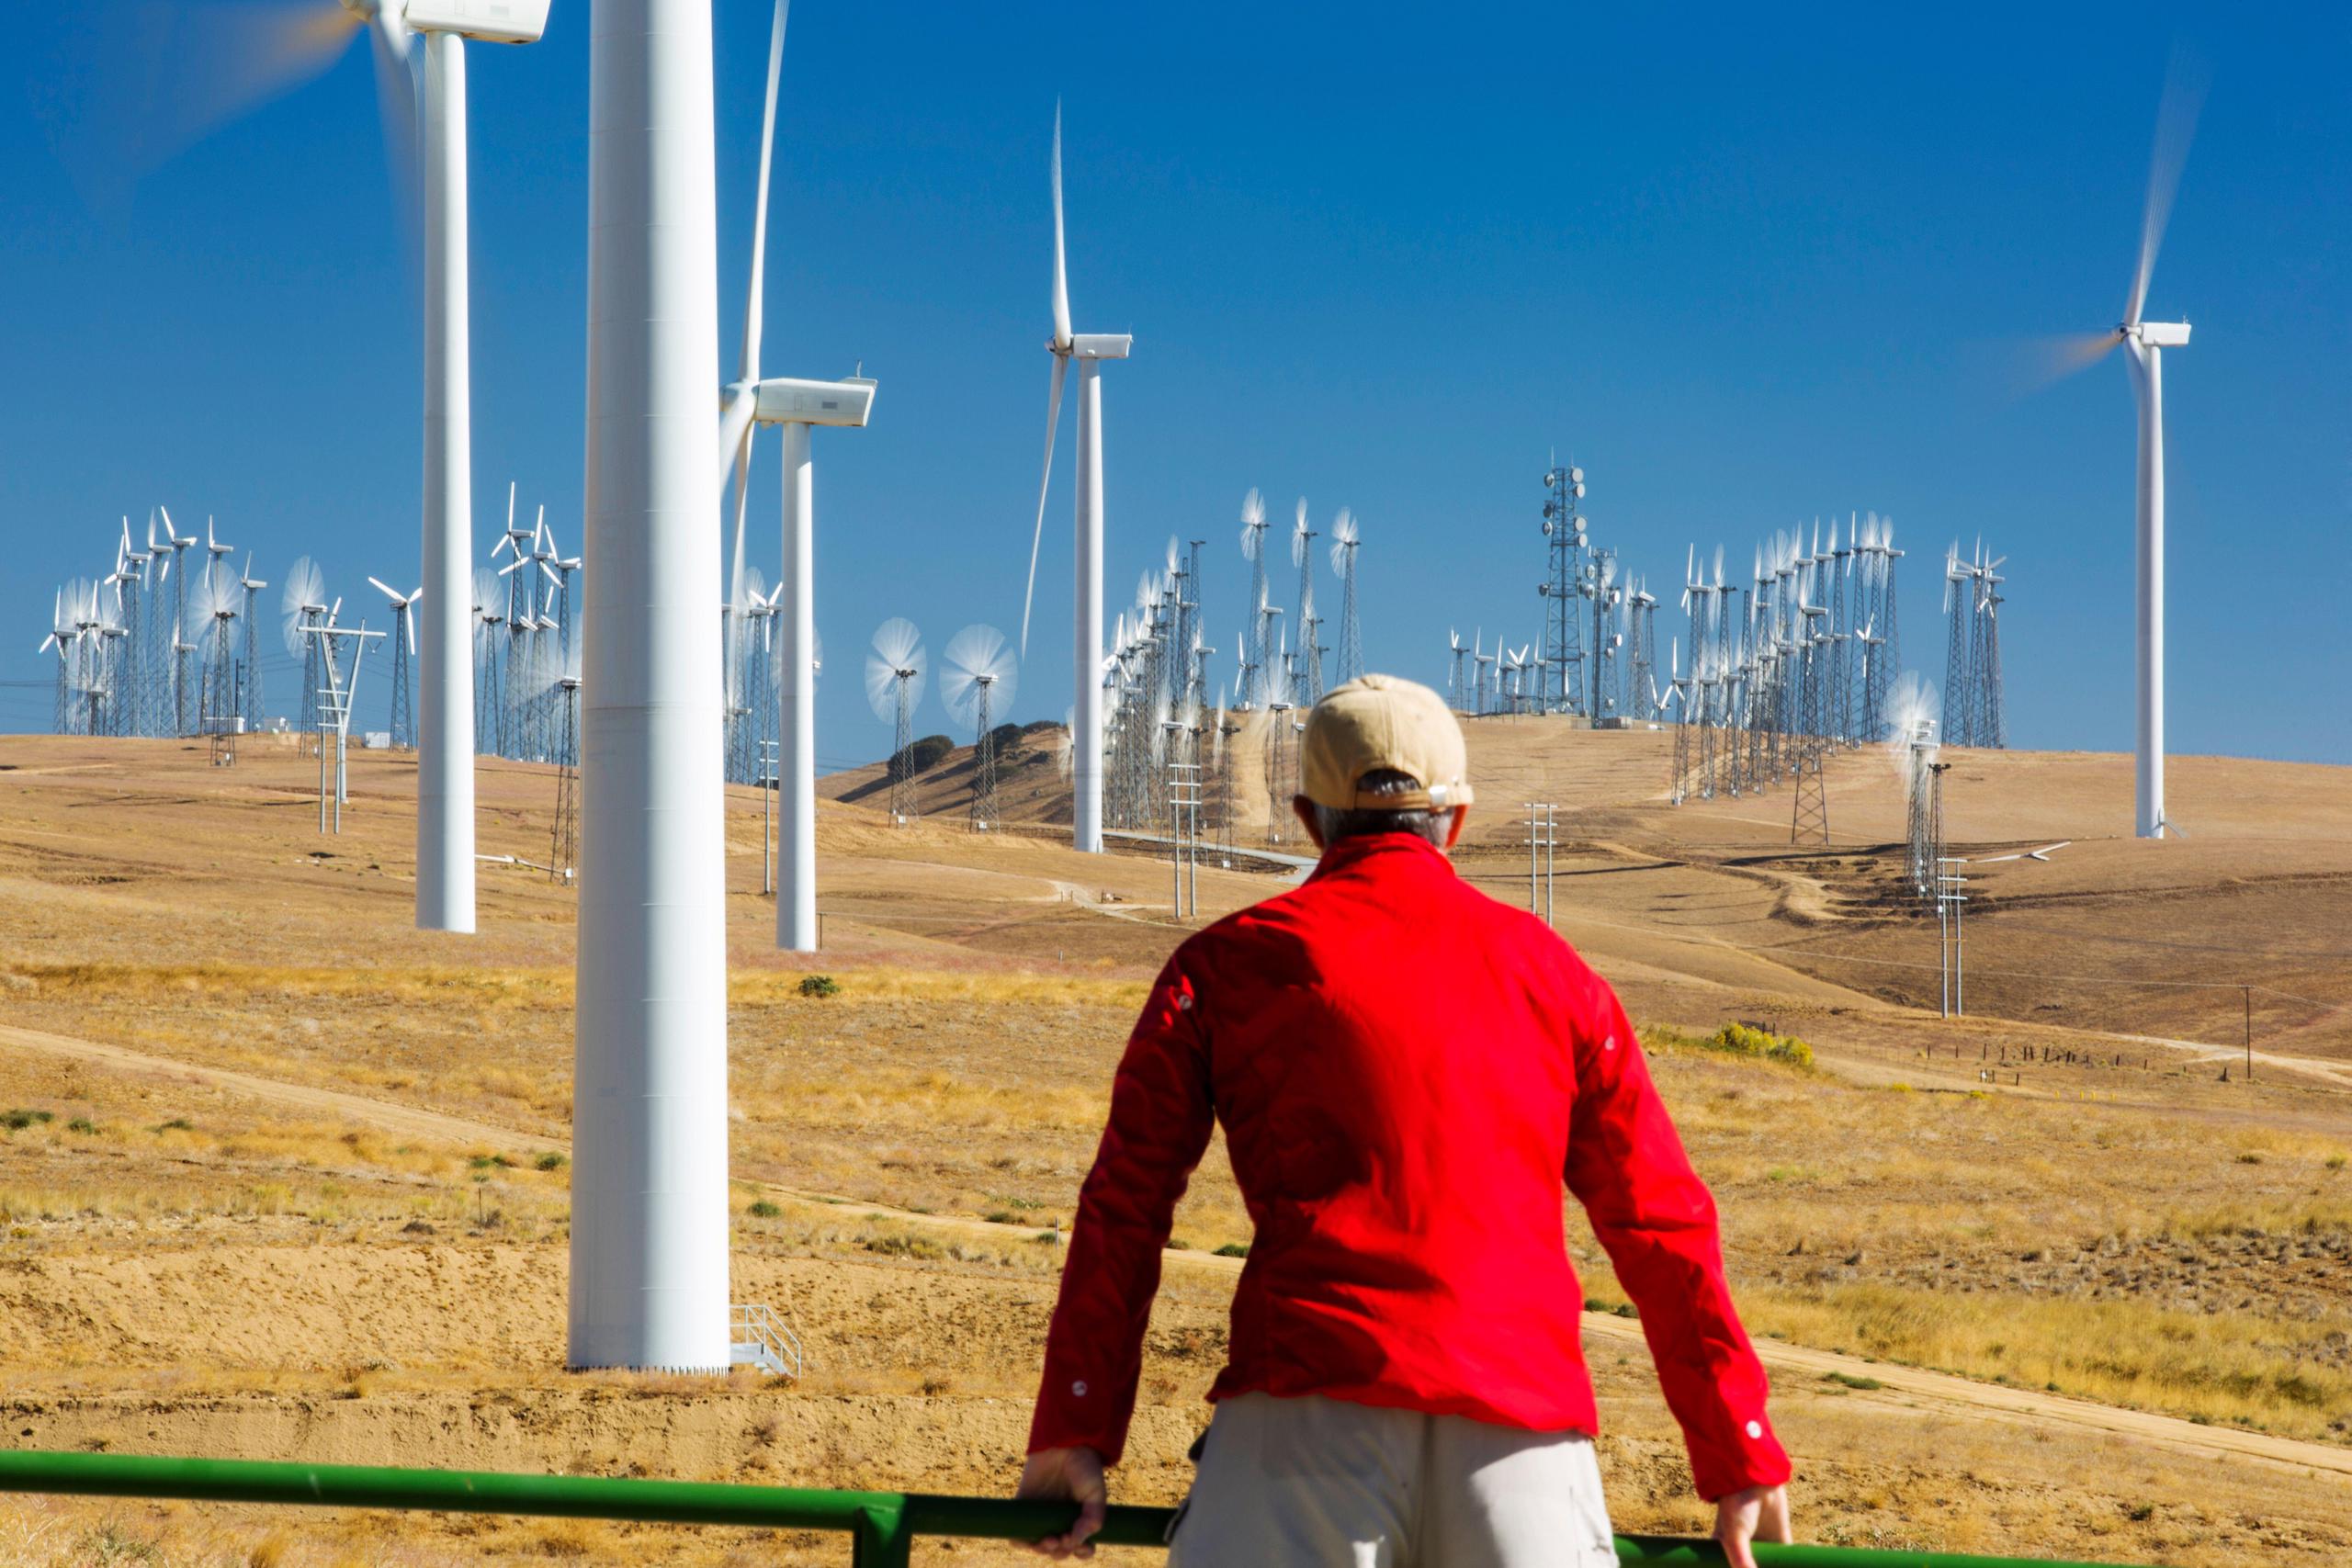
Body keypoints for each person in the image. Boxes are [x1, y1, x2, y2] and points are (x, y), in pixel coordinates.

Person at [1015, 674, 1793, 1566]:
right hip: (1522, 1438)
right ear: (1455, 819)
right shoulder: (1557, 977)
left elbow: (1126, 1205)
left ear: (1309, 819)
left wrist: (1076, 1418)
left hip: (1301, 1418)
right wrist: (1736, 1444)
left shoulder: (1222, 967)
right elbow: (1658, 1220)